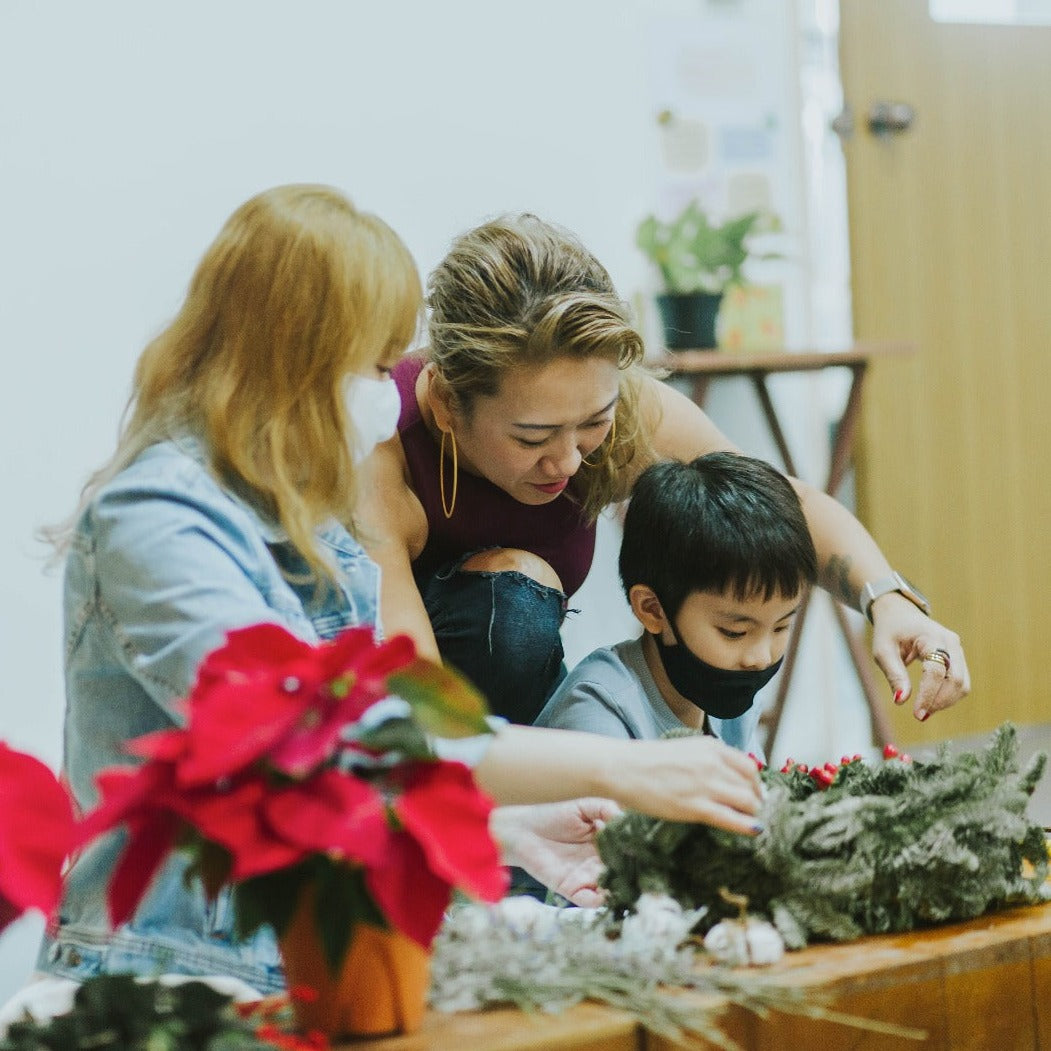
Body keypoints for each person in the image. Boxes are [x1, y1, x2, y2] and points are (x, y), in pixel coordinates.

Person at [37, 185, 761, 996]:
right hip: (165, 974)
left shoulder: (305, 521)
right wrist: (619, 769)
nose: (397, 392)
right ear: (295, 359)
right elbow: (323, 740)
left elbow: (344, 786)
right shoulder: (157, 518)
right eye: (379, 364)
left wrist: (503, 829)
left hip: (304, 966)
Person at [364, 213, 969, 727]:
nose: (571, 460)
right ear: (447, 404)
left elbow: (773, 504)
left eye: (591, 423)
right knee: (512, 599)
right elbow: (406, 689)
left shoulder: (625, 417)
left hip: (522, 715)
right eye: (534, 437)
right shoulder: (378, 448)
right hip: (388, 710)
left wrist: (887, 600)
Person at [535, 452, 818, 756]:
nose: (761, 658)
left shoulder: (732, 704)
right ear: (652, 609)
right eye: (734, 632)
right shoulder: (598, 715)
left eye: (781, 626)